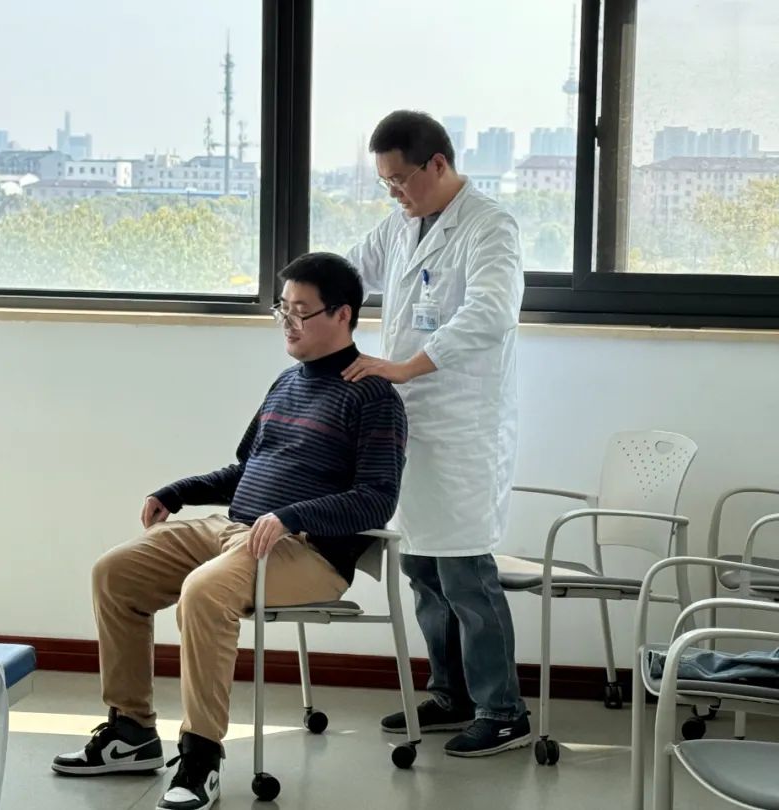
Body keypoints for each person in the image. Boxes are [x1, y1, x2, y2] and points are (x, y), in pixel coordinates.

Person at [51, 252, 408, 810]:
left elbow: (378, 497)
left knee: (204, 592)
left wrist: (293, 516)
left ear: (343, 315)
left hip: (308, 552)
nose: (288, 322)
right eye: (282, 310)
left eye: (301, 311)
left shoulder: (374, 397)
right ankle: (131, 734)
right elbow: (247, 470)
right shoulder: (286, 383)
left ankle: (200, 759)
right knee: (114, 573)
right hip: (236, 528)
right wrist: (179, 491)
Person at [344, 110, 528, 757]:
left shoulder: (489, 226)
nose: (393, 192)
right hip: (412, 426)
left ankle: (503, 710)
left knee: (465, 574)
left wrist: (404, 366)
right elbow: (350, 272)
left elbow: (490, 313)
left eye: (400, 179)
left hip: (463, 427)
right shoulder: (402, 224)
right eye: (385, 182)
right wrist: (304, 295)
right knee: (420, 566)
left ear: (438, 165)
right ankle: (451, 694)